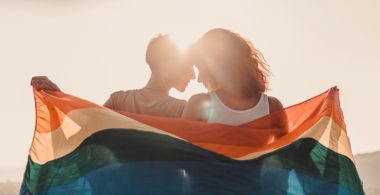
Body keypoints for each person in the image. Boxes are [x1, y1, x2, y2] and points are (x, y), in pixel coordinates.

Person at [31, 34, 195, 118]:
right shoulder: (182, 110)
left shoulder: (120, 101)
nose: (193, 75)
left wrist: (59, 97)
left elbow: (86, 127)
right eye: (187, 66)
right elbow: (89, 126)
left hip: (125, 183)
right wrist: (58, 96)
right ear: (167, 63)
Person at [182, 28, 288, 137]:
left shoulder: (272, 108)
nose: (199, 79)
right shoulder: (198, 104)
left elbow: (288, 152)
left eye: (200, 68)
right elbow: (179, 150)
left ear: (216, 66)